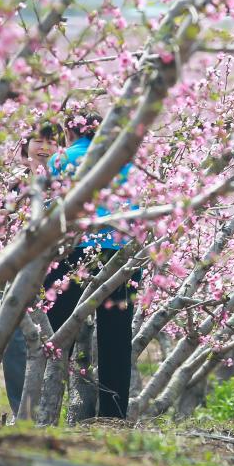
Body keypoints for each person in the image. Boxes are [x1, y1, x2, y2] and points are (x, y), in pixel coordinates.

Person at [44, 108, 139, 419]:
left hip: (73, 252)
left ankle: (45, 409)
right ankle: (114, 414)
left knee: (58, 333)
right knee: (116, 338)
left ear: (69, 131)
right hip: (120, 254)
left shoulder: (59, 160)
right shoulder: (125, 159)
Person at [3, 120, 65, 417]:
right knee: (16, 342)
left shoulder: (67, 183)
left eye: (52, 142)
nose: (44, 148)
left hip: (60, 271)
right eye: (38, 141)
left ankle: (51, 412)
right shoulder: (15, 184)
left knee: (58, 341)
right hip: (20, 271)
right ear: (26, 146)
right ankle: (23, 413)